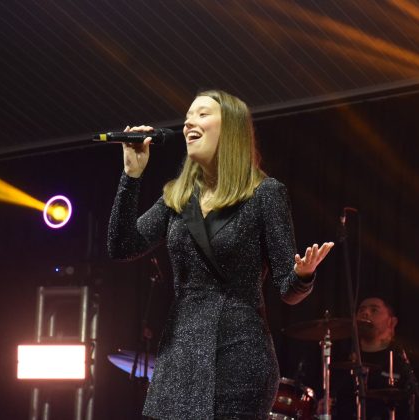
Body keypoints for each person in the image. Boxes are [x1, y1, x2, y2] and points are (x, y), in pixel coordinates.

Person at [107, 89, 334, 419]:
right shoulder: (177, 198)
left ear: (231, 129)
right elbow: (121, 247)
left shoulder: (264, 194)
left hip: (239, 355)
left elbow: (287, 289)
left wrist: (302, 275)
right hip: (180, 355)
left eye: (202, 114)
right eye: (188, 117)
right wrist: (131, 176)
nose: (189, 123)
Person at [323, 296, 419, 420]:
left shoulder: (409, 359)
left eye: (374, 310)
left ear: (392, 322)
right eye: (361, 310)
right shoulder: (341, 359)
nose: (365, 313)